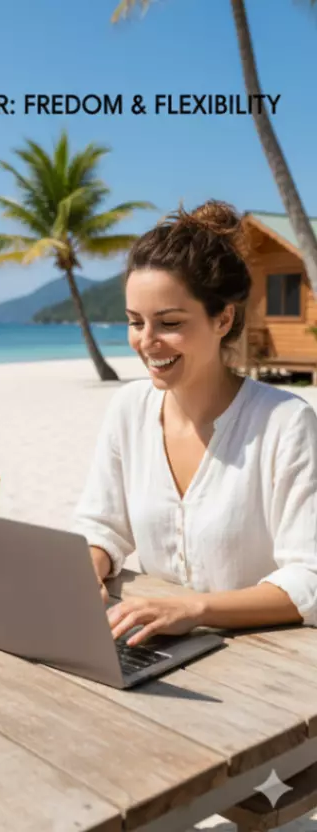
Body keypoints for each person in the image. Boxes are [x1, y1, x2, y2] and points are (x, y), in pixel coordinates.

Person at [73, 200, 317, 647]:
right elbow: (101, 525)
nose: (147, 342)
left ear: (223, 318)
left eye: (169, 322)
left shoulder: (286, 423)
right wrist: (89, 566)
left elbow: (310, 578)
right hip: (148, 643)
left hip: (265, 659)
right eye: (135, 322)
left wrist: (194, 610)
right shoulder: (128, 409)